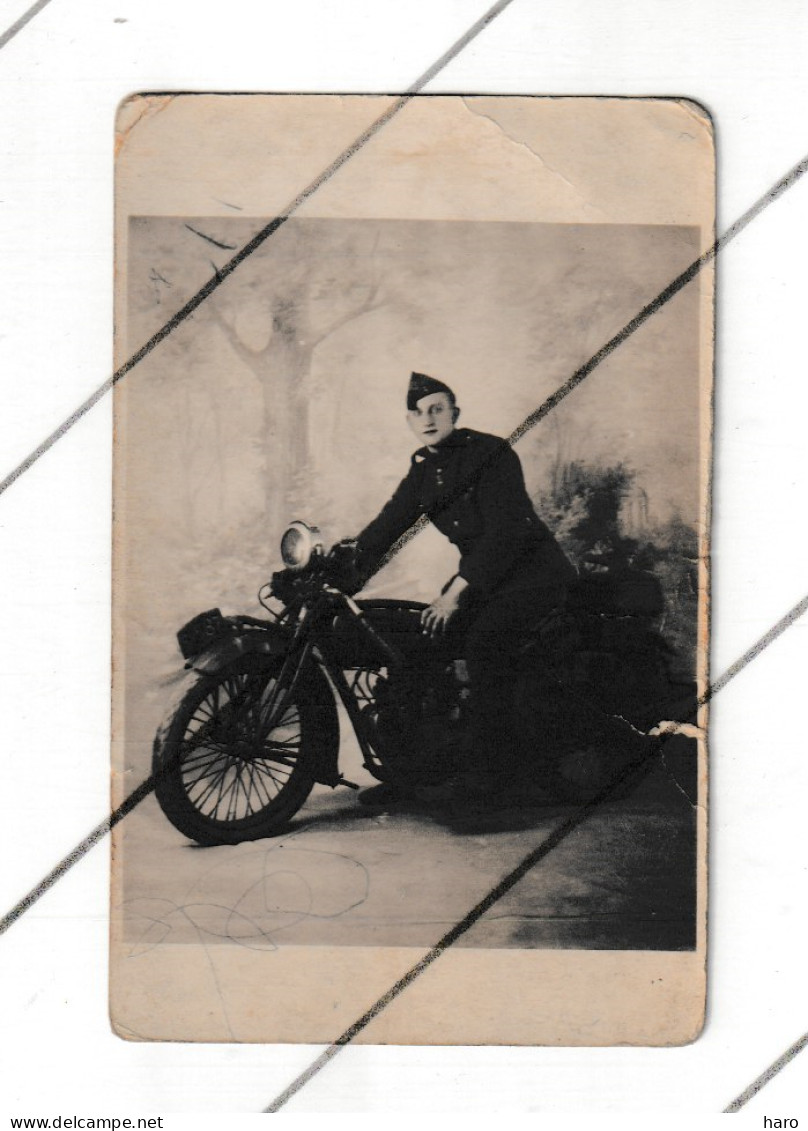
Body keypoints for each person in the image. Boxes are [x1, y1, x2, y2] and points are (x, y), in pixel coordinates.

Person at [352, 371, 575, 806]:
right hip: (485, 577)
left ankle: (492, 779)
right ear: (409, 421)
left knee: (485, 646)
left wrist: (454, 594)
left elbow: (505, 534)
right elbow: (386, 527)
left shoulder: (490, 452)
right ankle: (413, 770)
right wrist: (340, 564)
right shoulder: (423, 470)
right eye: (418, 412)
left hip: (533, 576)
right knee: (417, 645)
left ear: (455, 412)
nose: (428, 418)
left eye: (437, 408)